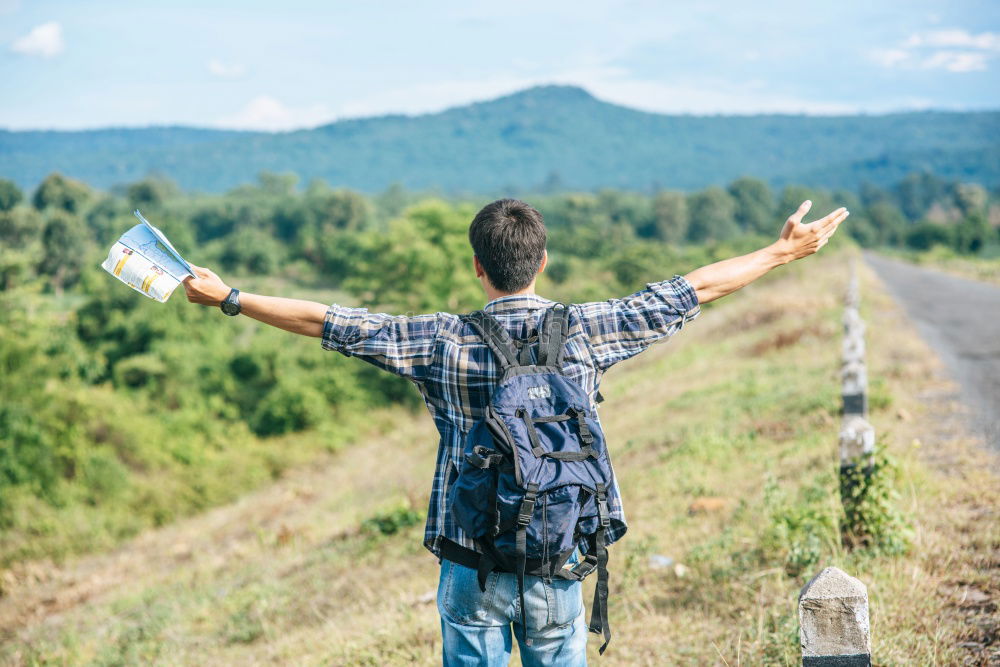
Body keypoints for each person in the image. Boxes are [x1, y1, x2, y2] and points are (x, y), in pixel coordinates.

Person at [183, 198, 847, 665]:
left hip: (470, 560)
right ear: (544, 260)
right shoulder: (590, 327)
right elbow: (693, 289)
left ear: (478, 266)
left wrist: (230, 297)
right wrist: (783, 251)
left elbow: (330, 320)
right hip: (559, 557)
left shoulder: (438, 339)